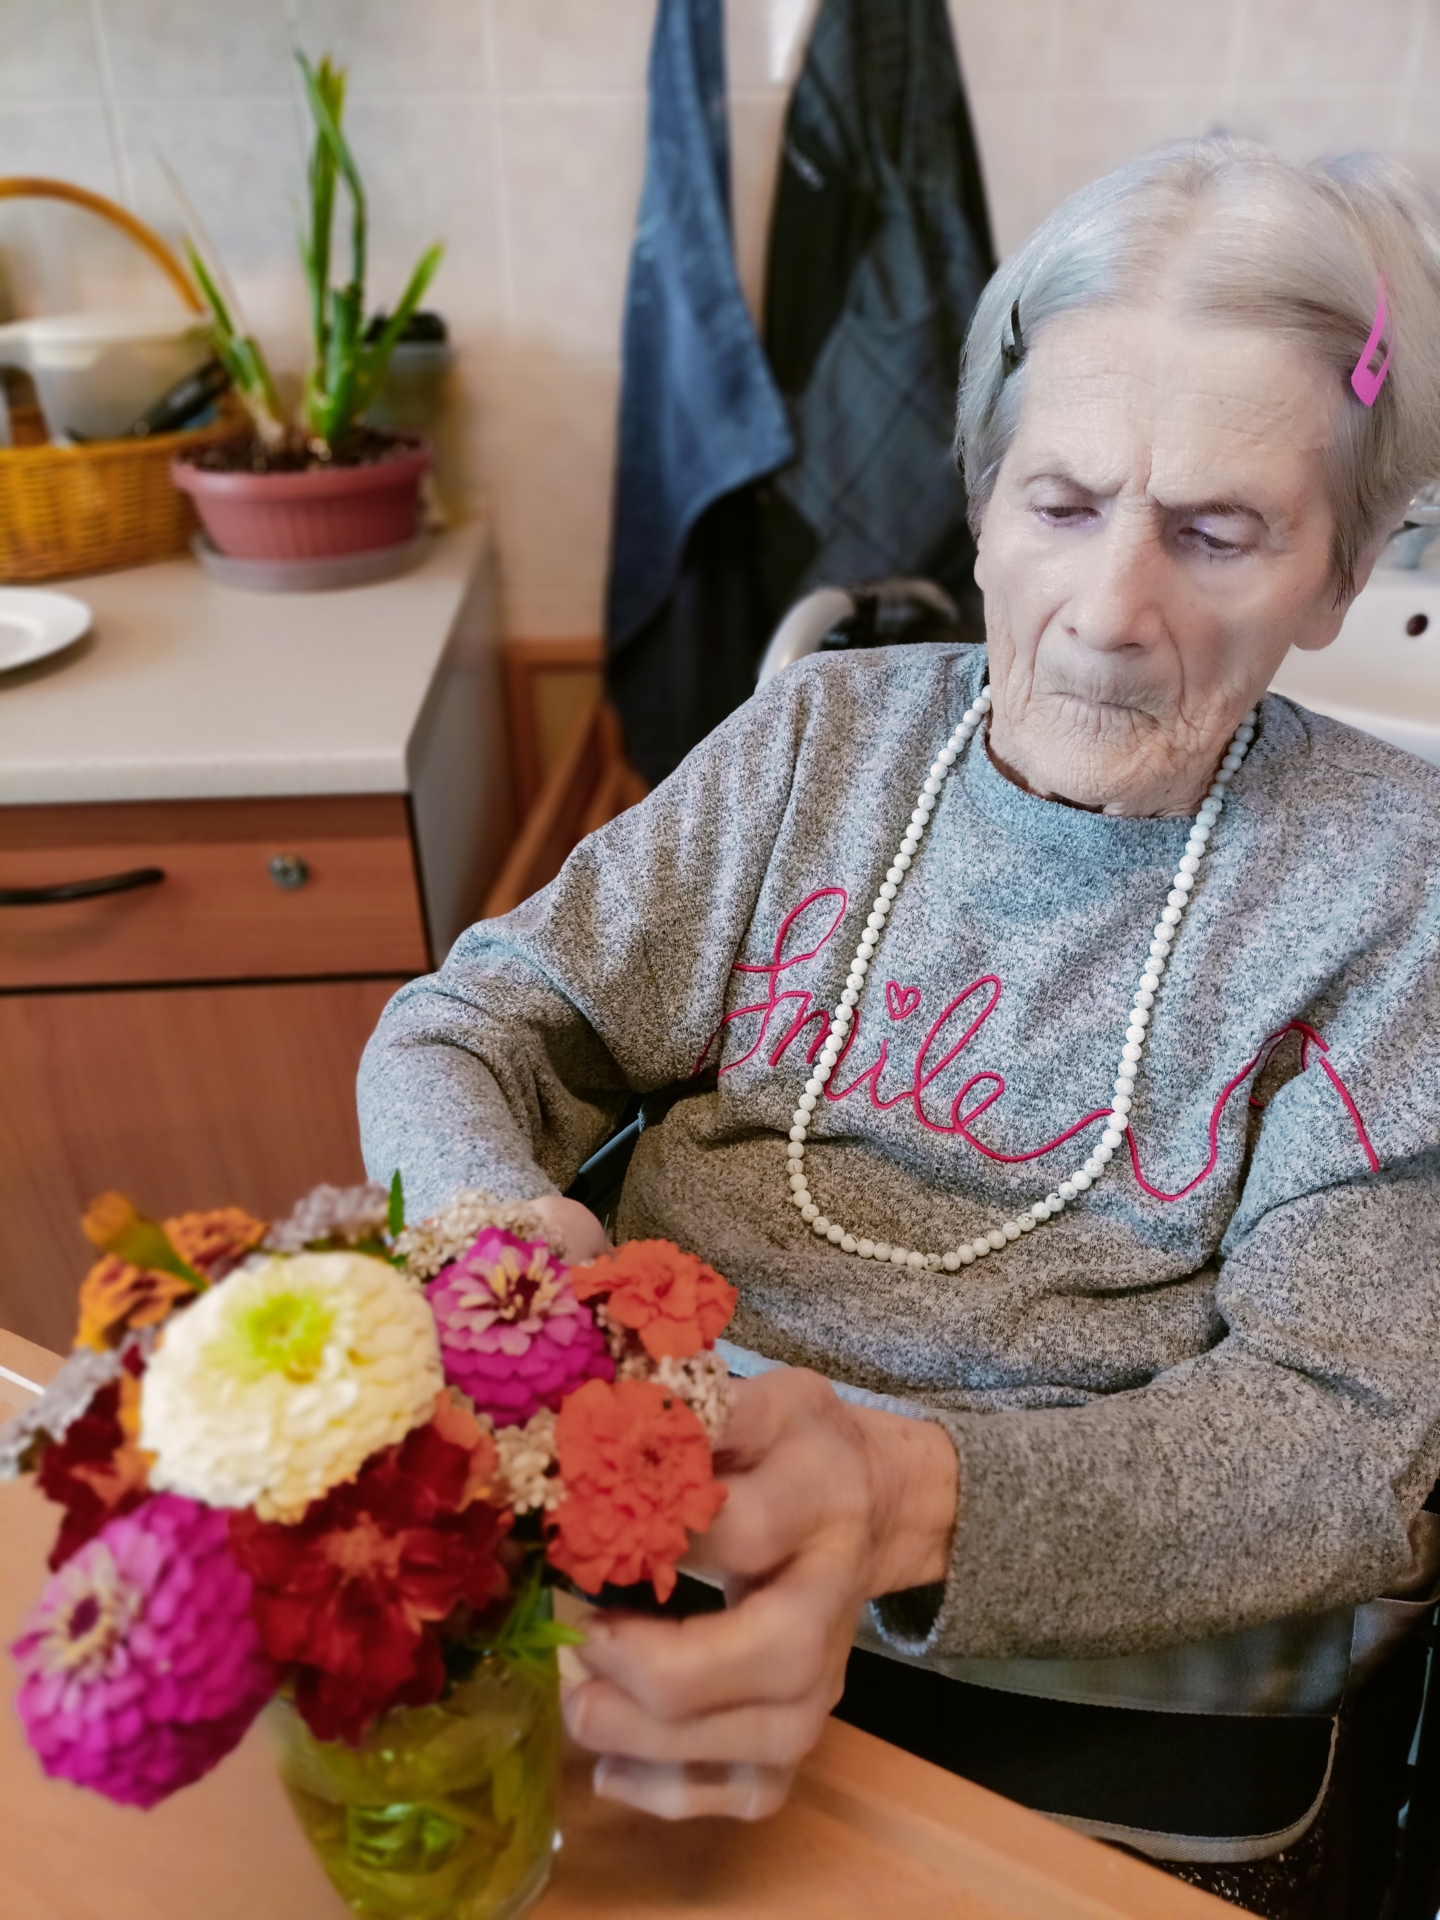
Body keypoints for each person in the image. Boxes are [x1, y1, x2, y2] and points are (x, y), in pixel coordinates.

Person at [359, 139, 1440, 1906]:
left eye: (1218, 533)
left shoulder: (1395, 897)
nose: (1110, 613)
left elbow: (1337, 1448)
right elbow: (471, 1025)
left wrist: (893, 1494)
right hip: (615, 1586)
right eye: (1062, 504)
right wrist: (492, 1227)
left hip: (1081, 1738)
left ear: (1342, 574)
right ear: (981, 498)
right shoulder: (817, 746)